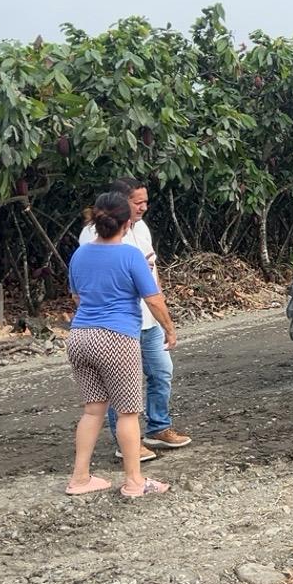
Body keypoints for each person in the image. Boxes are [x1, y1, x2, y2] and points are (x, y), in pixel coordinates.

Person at [65, 191, 177, 497]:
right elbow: (153, 298)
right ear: (126, 224)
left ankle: (80, 478)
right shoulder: (130, 255)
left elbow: (76, 296)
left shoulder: (80, 254)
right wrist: (169, 328)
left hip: (80, 336)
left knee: (93, 411)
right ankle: (134, 482)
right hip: (116, 338)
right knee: (128, 412)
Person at [77, 177, 190, 463]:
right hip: (119, 325)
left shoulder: (141, 229)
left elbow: (152, 276)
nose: (143, 207)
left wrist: (162, 313)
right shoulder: (94, 238)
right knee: (121, 389)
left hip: (145, 320)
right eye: (137, 202)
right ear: (120, 203)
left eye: (145, 201)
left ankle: (158, 427)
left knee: (161, 372)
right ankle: (127, 445)